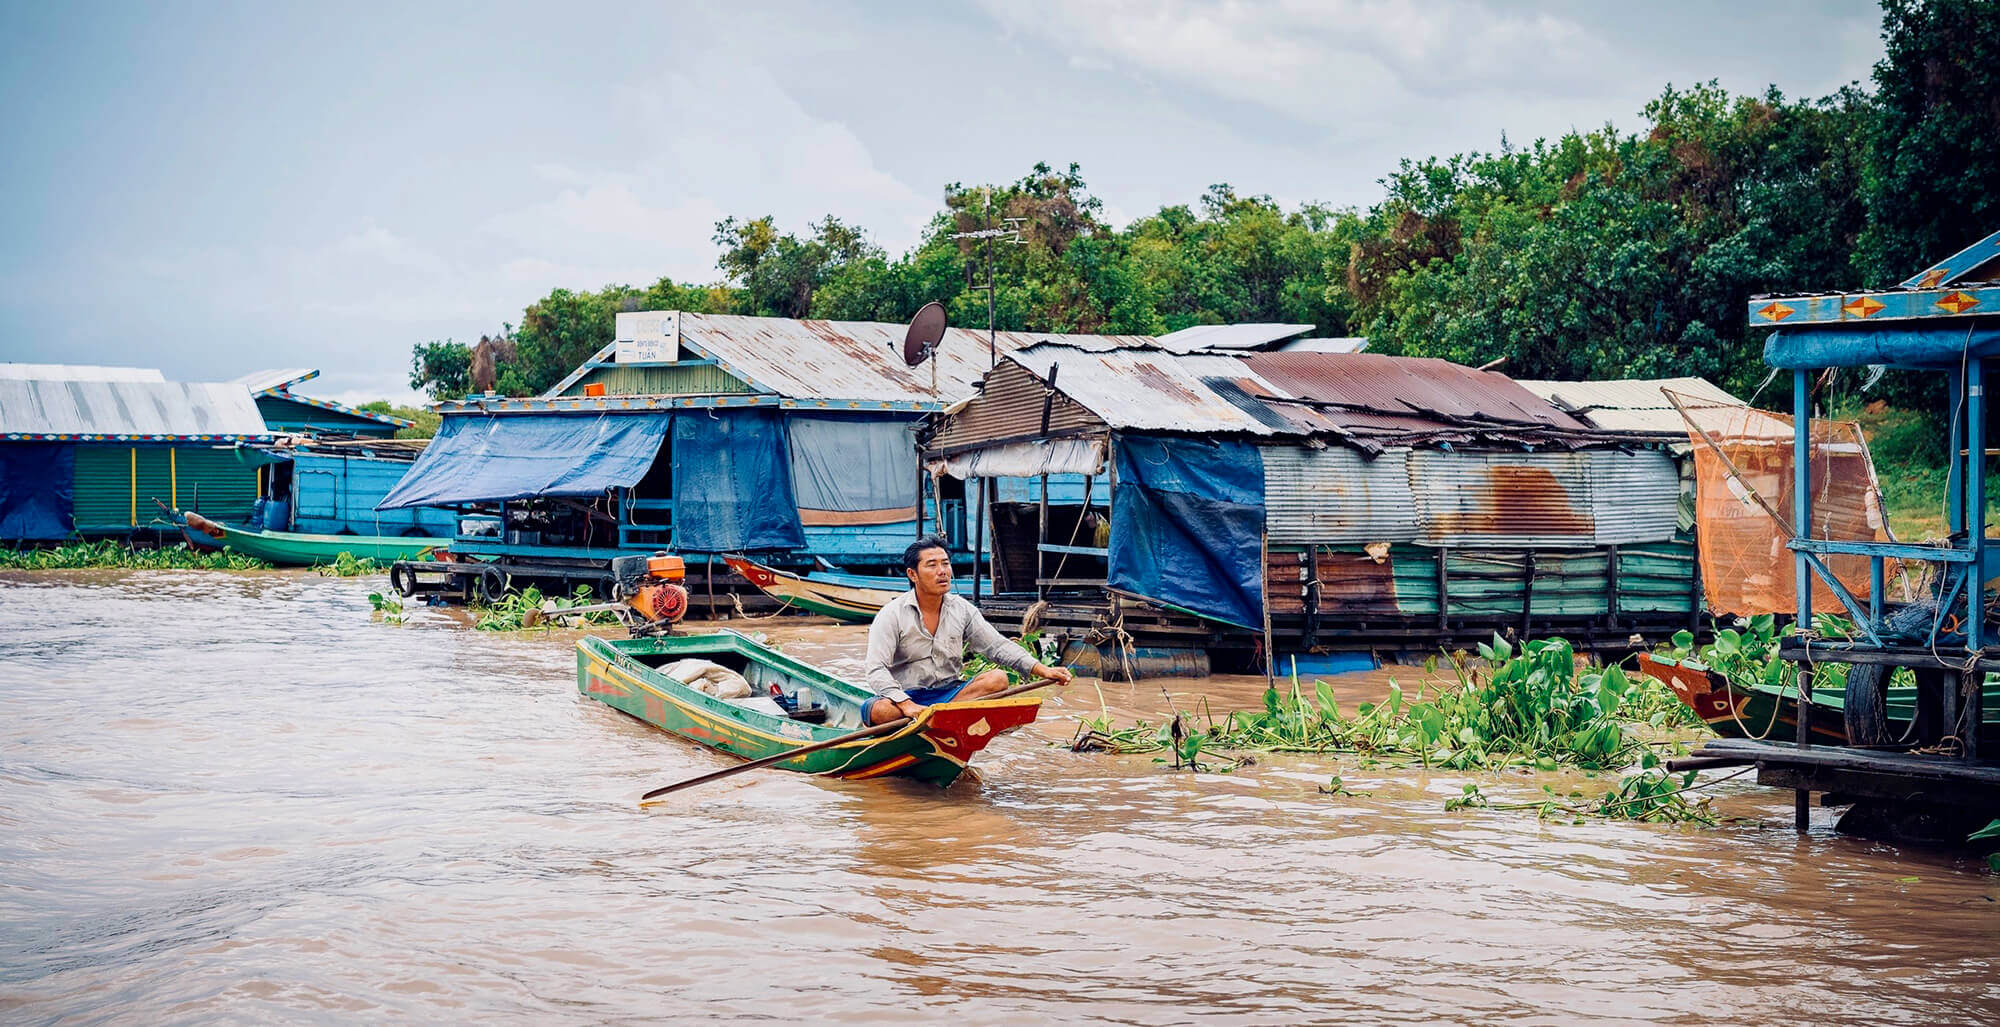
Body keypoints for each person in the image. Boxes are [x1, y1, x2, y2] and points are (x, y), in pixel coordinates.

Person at [862, 536, 1073, 725]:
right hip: (905, 698)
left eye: (945, 564)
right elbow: (875, 668)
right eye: (932, 565)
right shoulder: (892, 614)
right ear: (913, 574)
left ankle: (938, 716)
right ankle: (933, 716)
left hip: (950, 694)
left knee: (998, 679)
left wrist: (1043, 670)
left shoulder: (961, 609)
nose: (942, 571)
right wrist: (907, 704)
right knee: (880, 711)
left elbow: (997, 646)